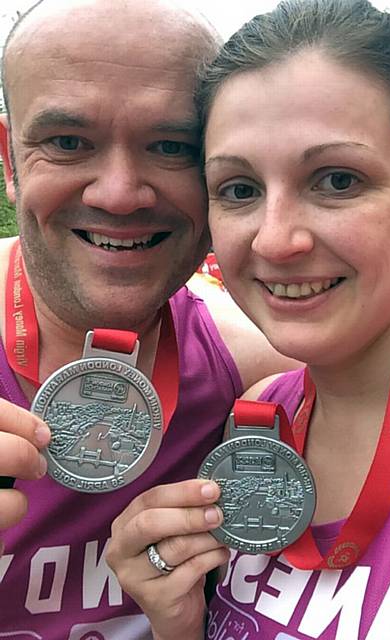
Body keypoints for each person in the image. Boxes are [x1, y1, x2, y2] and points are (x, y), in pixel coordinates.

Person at [106, 0, 390, 638]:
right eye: (239, 189)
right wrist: (179, 625)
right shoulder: (261, 419)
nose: (275, 241)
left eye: (337, 180)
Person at [0, 0, 300, 636]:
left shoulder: (262, 378)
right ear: (10, 161)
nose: (119, 193)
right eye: (67, 142)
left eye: (170, 146)